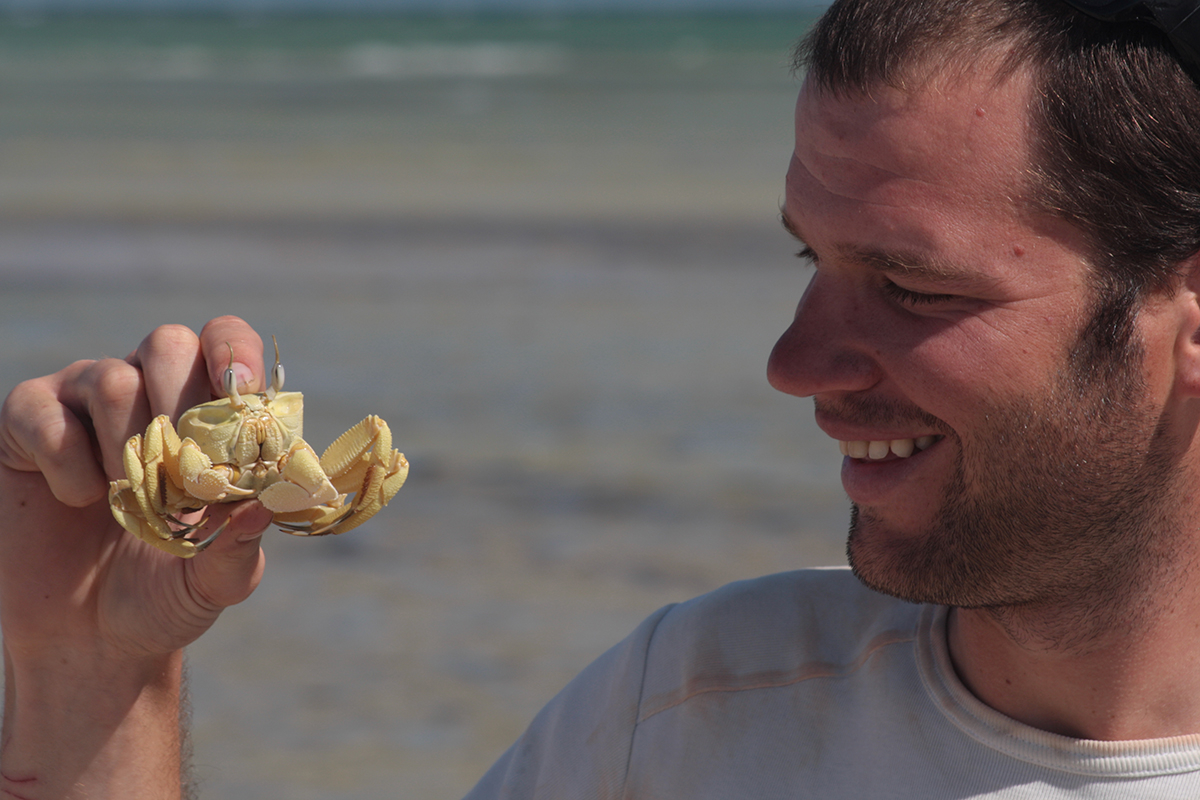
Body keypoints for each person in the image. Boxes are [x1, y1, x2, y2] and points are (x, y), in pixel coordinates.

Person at [5, 0, 1200, 796]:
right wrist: (92, 668)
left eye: (908, 285)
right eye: (812, 262)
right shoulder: (689, 709)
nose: (796, 362)